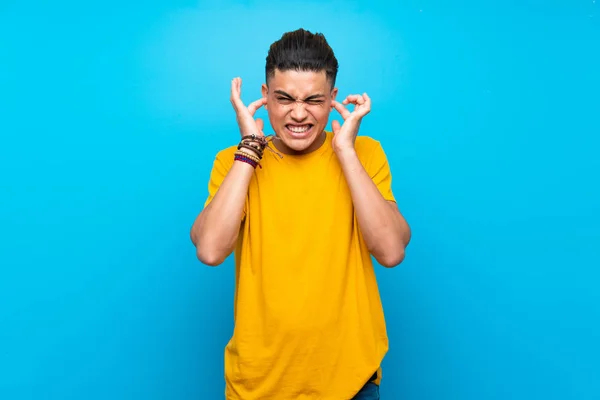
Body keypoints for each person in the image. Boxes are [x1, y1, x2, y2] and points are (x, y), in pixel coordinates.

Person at [190, 28, 411, 400]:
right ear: (264, 97)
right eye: (284, 98)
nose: (298, 113)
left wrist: (345, 151)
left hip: (350, 383)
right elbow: (210, 250)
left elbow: (391, 251)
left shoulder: (364, 154)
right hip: (258, 384)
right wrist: (248, 150)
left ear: (333, 100)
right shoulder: (233, 163)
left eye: (313, 100)